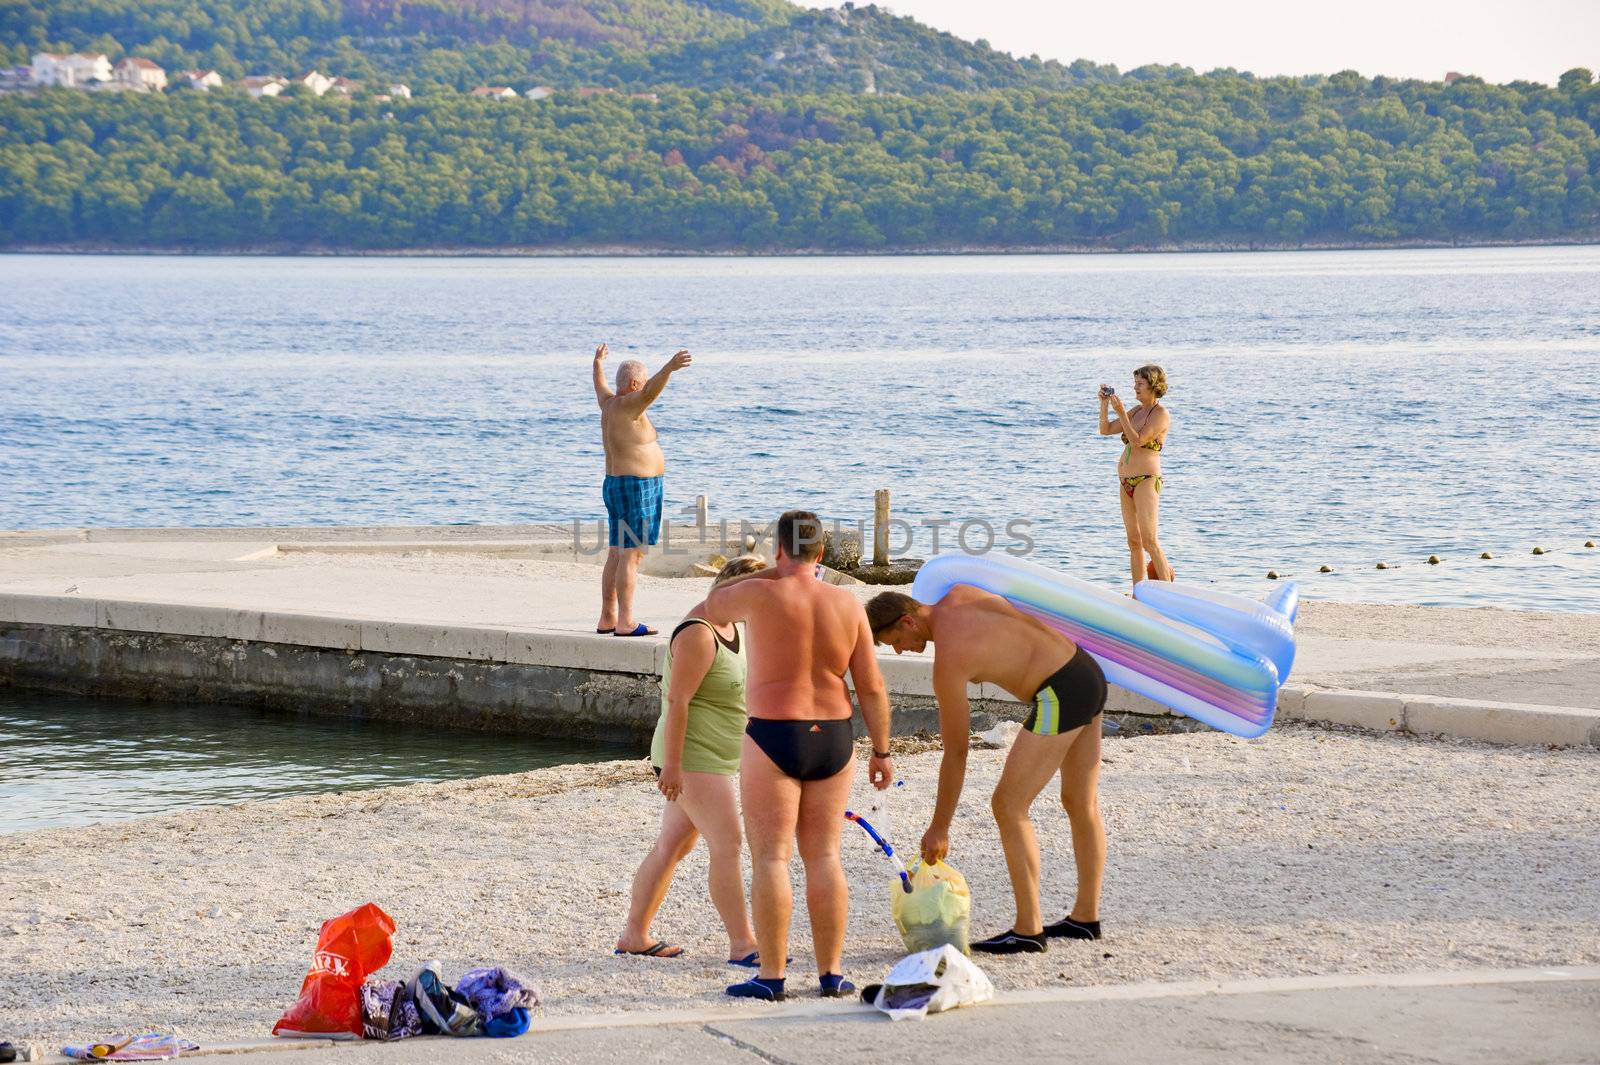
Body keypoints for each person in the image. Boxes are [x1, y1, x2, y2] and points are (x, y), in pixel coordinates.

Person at [704, 510, 894, 1001]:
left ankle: (771, 976)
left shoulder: (760, 592)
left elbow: (713, 605)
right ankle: (831, 974)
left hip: (773, 733)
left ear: (779, 549)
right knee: (825, 856)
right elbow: (872, 687)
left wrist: (775, 570)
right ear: (824, 555)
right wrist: (882, 750)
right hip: (833, 734)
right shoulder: (848, 604)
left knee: (772, 858)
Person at [866, 585, 1107, 954]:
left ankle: (1029, 929)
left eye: (895, 640)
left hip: (1058, 692)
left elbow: (957, 752)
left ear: (908, 620)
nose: (900, 650)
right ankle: (1085, 918)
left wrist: (940, 827)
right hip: (1086, 671)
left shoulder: (949, 660)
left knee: (1009, 806)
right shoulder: (962, 592)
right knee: (1080, 802)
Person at [616, 555, 769, 966]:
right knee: (729, 844)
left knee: (672, 846)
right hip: (691, 757)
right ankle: (744, 945)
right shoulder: (699, 634)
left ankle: (634, 934)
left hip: (715, 755)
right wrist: (673, 766)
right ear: (732, 591)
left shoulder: (733, 625)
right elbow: (677, 701)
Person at [592, 342, 692, 637]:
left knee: (616, 552)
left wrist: (598, 364)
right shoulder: (630, 404)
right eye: (644, 380)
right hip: (637, 487)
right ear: (635, 384)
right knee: (631, 555)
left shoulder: (608, 403)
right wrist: (670, 368)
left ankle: (607, 617)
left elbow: (599, 384)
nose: (645, 387)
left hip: (616, 485)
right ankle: (626, 622)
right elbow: (650, 393)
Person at [1099, 364, 1172, 587]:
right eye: (1135, 383)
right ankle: (1138, 593)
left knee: (1150, 540)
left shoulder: (1160, 414)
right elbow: (1106, 429)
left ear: (1153, 385)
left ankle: (1171, 594)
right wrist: (1104, 405)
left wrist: (1121, 412)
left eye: (1139, 384)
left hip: (1147, 480)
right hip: (1125, 481)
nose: (1135, 387)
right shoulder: (1136, 411)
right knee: (1134, 541)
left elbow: (1138, 440)